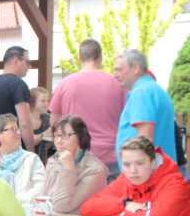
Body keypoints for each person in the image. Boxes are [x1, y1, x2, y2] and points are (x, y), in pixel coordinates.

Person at [50, 39, 126, 180]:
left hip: (76, 155)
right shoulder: (117, 84)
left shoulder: (65, 84)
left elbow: (54, 123)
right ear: (100, 58)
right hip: (110, 156)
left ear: (79, 58)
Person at [113, 48, 177, 164]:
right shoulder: (153, 89)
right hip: (158, 169)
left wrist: (135, 170)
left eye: (119, 70)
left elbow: (145, 140)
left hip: (148, 172)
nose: (115, 75)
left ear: (136, 69)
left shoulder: (142, 92)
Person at [0, 114, 45, 205]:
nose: (19, 133)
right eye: (13, 129)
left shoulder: (31, 159)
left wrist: (14, 202)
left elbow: (41, 187)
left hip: (23, 209)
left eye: (18, 129)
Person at [0, 46, 35, 150]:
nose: (29, 66)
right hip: (15, 146)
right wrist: (31, 149)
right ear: (16, 61)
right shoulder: (18, 84)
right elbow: (24, 123)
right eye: (27, 62)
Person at [29, 86, 54, 163]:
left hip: (44, 162)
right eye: (43, 101)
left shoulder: (47, 118)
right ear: (32, 101)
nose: (47, 104)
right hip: (26, 163)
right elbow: (30, 142)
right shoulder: (24, 120)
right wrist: (45, 134)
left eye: (48, 101)